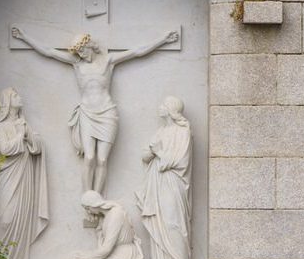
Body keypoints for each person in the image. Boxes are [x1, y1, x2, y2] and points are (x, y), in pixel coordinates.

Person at [9, 25, 178, 198]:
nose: (81, 54)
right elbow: (49, 51)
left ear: (90, 45)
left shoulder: (108, 60)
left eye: (82, 50)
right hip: (87, 114)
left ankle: (97, 199)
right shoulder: (76, 63)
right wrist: (24, 37)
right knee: (89, 157)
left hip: (107, 114)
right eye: (78, 52)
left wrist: (162, 40)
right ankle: (87, 198)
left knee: (102, 159)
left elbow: (137, 51)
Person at [0, 88, 48, 259]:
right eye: (16, 95)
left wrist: (28, 135)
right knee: (5, 219)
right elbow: (4, 148)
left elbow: (36, 147)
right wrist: (20, 134)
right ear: (8, 102)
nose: (20, 97)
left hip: (23, 176)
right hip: (5, 176)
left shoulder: (23, 124)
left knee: (20, 218)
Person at [137, 96, 198, 259]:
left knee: (173, 223)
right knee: (159, 221)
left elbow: (180, 161)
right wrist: (151, 152)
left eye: (163, 104)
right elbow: (146, 157)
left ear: (171, 109)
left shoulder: (183, 132)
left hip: (173, 183)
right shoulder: (161, 131)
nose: (160, 107)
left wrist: (159, 152)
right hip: (157, 182)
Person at [70, 191, 144, 259]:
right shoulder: (107, 216)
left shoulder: (115, 214)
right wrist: (99, 227)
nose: (88, 211)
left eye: (87, 208)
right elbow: (103, 245)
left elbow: (106, 249)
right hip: (114, 257)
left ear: (94, 204)